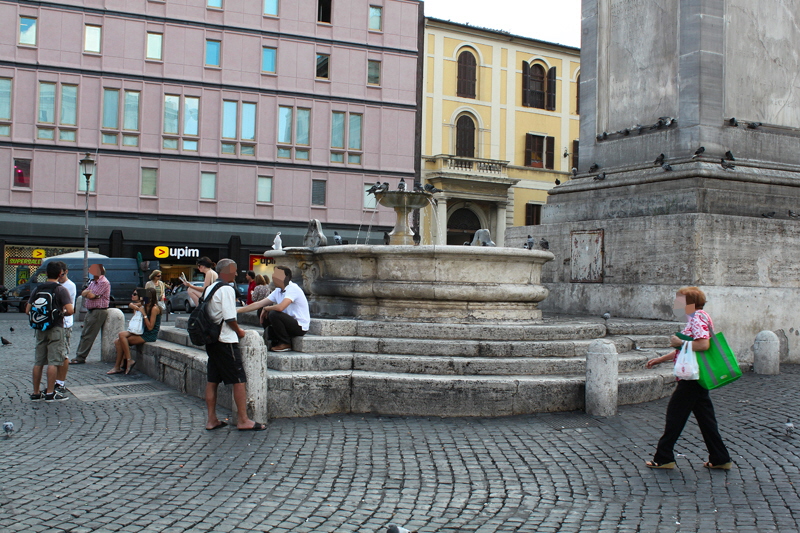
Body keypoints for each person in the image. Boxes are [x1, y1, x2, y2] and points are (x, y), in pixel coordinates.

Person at [645, 286, 733, 470]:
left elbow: (703, 344)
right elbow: (687, 348)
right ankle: (720, 458)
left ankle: (664, 457)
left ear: (689, 303)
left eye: (679, 300)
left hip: (692, 378)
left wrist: (680, 342)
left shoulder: (697, 317)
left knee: (675, 415)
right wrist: (660, 359)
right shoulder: (700, 316)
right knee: (706, 418)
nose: (676, 303)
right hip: (696, 376)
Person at [202, 258, 265, 431]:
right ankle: (244, 420)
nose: (237, 274)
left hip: (211, 339)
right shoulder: (227, 290)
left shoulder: (209, 289)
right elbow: (230, 318)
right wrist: (240, 332)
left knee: (212, 379)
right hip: (225, 340)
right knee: (238, 379)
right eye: (235, 270)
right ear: (227, 271)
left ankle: (211, 419)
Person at [28, 261, 74, 402]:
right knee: (53, 361)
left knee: (39, 361)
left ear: (46, 273)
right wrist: (61, 312)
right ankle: (50, 392)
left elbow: (27, 310)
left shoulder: (37, 289)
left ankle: (36, 393)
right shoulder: (60, 290)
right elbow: (70, 310)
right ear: (61, 273)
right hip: (56, 327)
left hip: (41, 328)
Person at [237, 266, 309, 352]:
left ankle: (285, 343)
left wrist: (267, 308)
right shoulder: (278, 290)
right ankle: (273, 340)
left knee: (274, 313)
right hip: (287, 323)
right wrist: (237, 310)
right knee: (261, 310)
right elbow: (258, 304)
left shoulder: (292, 288)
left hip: (299, 326)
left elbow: (280, 307)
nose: (273, 277)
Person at [106, 286, 162, 375]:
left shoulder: (154, 308)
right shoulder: (145, 305)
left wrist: (144, 314)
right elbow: (131, 304)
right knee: (118, 340)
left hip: (149, 334)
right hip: (142, 331)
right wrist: (135, 307)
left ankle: (126, 361)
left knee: (121, 338)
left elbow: (151, 327)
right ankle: (121, 364)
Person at [71, 263, 111, 364]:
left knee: (89, 334)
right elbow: (84, 293)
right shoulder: (93, 281)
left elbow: (91, 295)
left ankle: (80, 357)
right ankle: (79, 355)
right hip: (91, 310)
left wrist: (90, 294)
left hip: (98, 311)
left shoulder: (103, 282)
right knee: (85, 333)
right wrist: (89, 293)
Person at [55, 261, 76, 394]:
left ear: (66, 272)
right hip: (56, 322)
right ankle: (56, 381)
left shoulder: (69, 286)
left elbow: (68, 307)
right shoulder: (56, 284)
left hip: (65, 322)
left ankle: (60, 382)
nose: (60, 277)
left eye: (61, 274)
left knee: (63, 353)